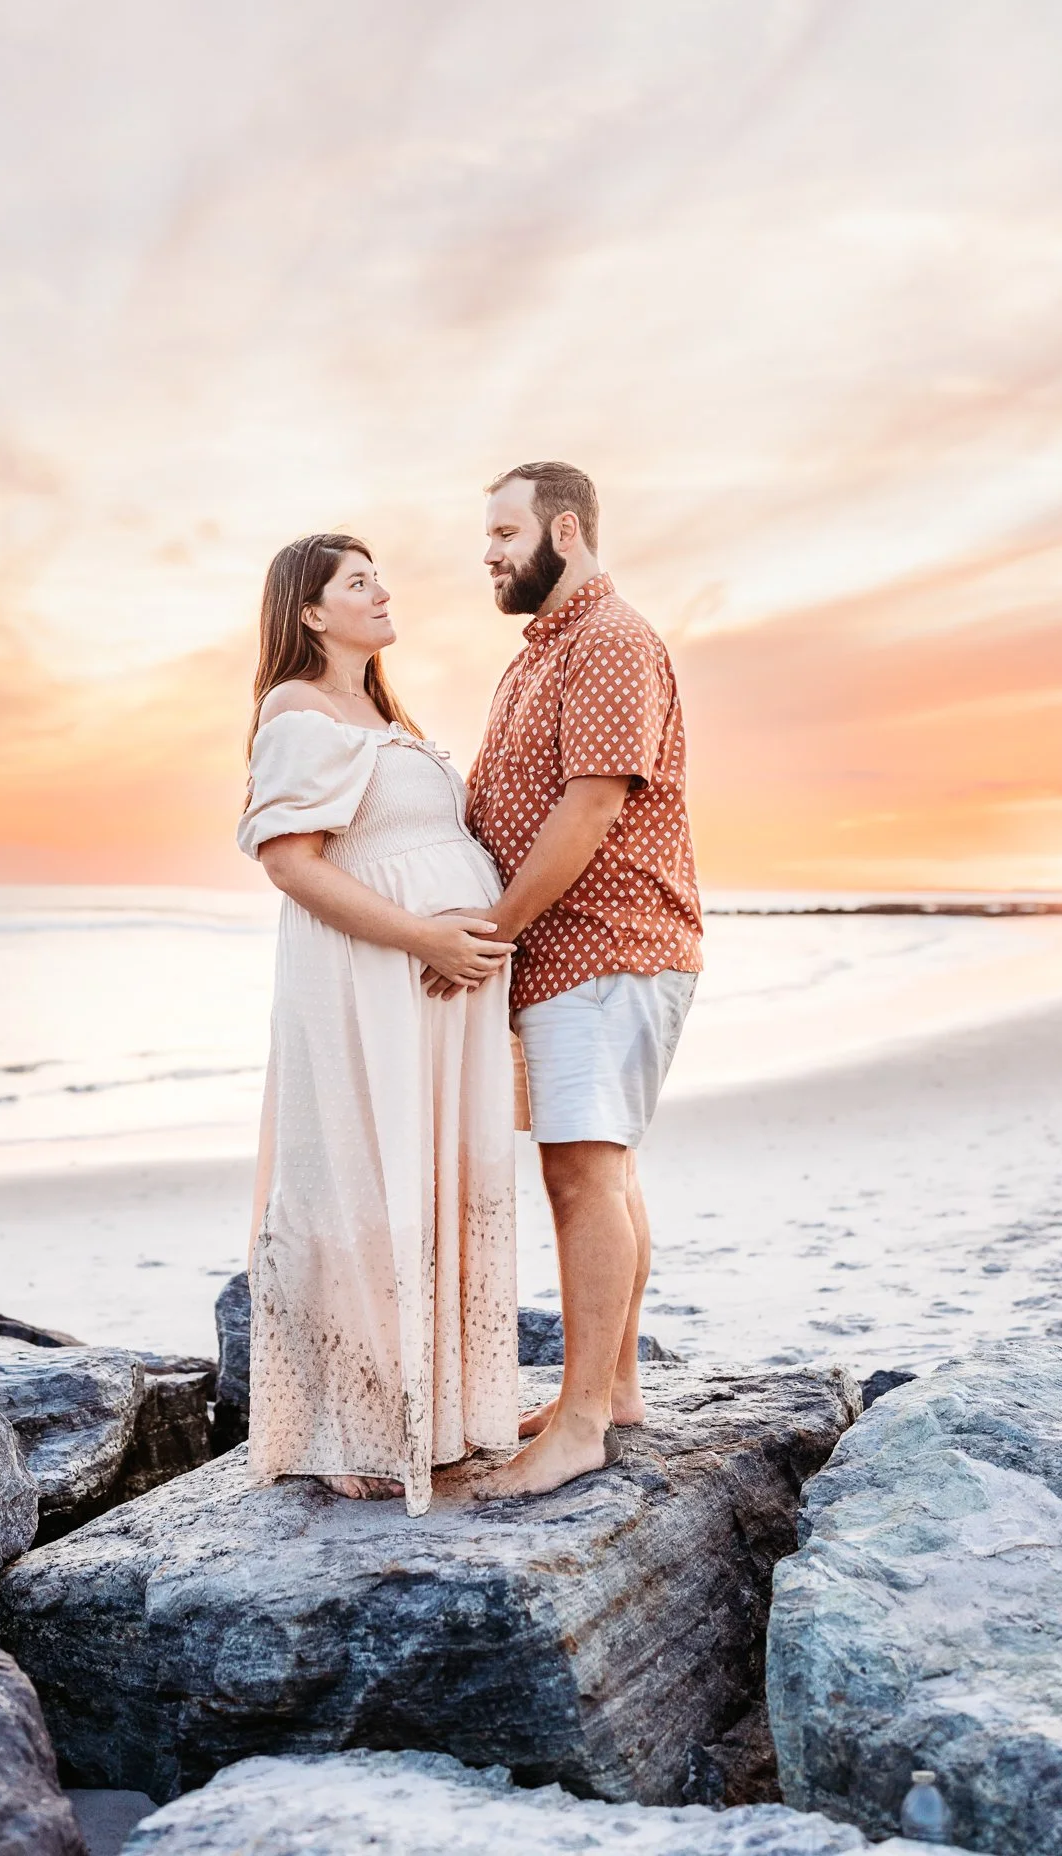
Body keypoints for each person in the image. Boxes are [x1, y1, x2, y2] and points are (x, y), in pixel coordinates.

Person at [237, 533, 518, 1514]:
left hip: (438, 989)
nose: (383, 591)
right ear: (310, 611)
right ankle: (352, 1429)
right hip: (372, 980)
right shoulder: (297, 708)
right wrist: (422, 938)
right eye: (358, 582)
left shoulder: (382, 710)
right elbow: (292, 862)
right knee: (363, 1171)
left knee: (434, 1170)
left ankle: (446, 1408)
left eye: (377, 575)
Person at [460, 462, 703, 1498]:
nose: (492, 554)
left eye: (507, 532)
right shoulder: (547, 650)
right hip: (584, 955)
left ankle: (585, 1423)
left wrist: (494, 931)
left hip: (602, 945)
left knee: (582, 1173)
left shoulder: (607, 639)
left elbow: (593, 804)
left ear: (567, 526)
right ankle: (610, 1387)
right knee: (605, 1166)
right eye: (488, 538)